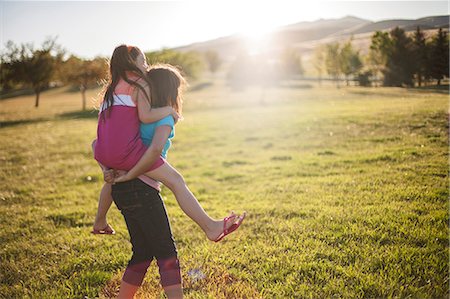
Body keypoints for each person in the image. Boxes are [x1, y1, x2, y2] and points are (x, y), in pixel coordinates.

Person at [93, 45, 245, 243]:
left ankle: (99, 221)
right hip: (128, 153)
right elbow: (146, 117)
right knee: (176, 180)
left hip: (103, 152)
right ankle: (210, 227)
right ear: (132, 63)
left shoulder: (110, 91)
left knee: (111, 181)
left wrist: (106, 166)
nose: (146, 67)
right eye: (143, 61)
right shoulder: (138, 84)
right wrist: (168, 110)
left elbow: (103, 135)